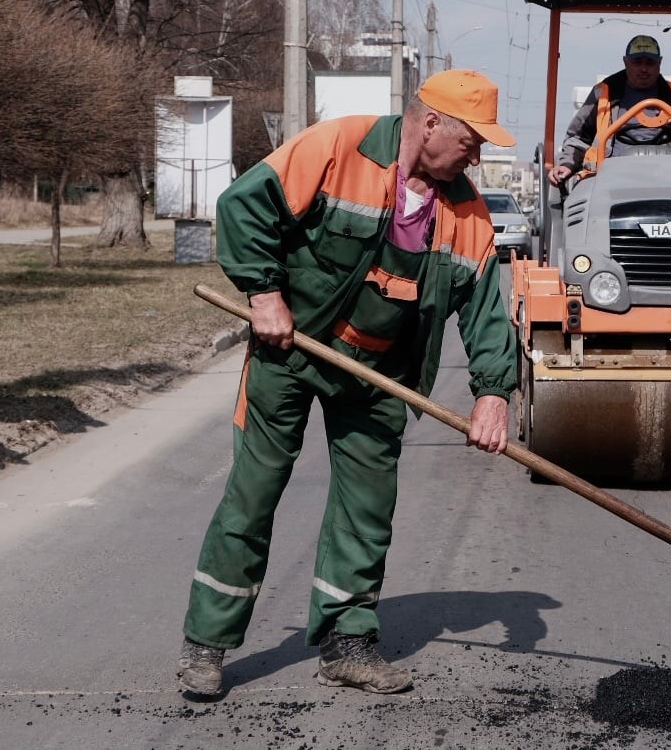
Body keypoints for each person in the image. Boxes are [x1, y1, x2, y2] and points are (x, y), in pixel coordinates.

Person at [178, 69, 519, 700]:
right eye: (472, 141)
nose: (477, 156)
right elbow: (243, 205)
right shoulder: (339, 147)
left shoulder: (468, 212)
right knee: (253, 495)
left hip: (380, 373)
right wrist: (264, 294)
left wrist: (493, 393)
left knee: (366, 508)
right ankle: (207, 643)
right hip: (292, 350)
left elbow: (484, 310)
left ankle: (348, 642)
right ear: (432, 122)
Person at [548, 34, 671, 186]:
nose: (643, 69)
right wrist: (566, 164)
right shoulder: (603, 93)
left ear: (659, 63)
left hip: (669, 174)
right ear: (626, 62)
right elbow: (579, 137)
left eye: (650, 62)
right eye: (637, 62)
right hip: (609, 176)